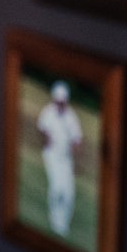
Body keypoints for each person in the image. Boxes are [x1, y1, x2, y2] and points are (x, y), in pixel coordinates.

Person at [36, 80, 84, 237]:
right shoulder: (48, 112)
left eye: (62, 101)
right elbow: (42, 128)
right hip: (51, 155)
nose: (60, 104)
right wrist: (47, 139)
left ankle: (63, 225)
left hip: (66, 158)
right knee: (57, 187)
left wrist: (76, 156)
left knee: (69, 192)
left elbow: (77, 139)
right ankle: (55, 221)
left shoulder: (71, 116)